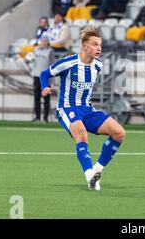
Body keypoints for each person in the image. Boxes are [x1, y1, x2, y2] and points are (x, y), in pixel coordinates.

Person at [40, 26, 126, 191]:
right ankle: (89, 176)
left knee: (119, 133)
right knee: (81, 134)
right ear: (84, 46)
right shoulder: (68, 63)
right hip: (67, 107)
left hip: (87, 109)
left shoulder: (98, 66)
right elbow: (45, 73)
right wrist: (45, 87)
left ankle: (97, 169)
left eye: (100, 44)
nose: (98, 48)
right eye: (94, 44)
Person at [31, 35, 54, 123]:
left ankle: (45, 118)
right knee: (36, 97)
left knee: (46, 98)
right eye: (42, 41)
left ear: (47, 42)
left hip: (45, 77)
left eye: (45, 41)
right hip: (36, 76)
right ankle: (37, 117)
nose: (43, 43)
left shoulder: (50, 51)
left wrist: (51, 77)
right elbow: (33, 62)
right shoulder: (36, 50)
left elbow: (52, 64)